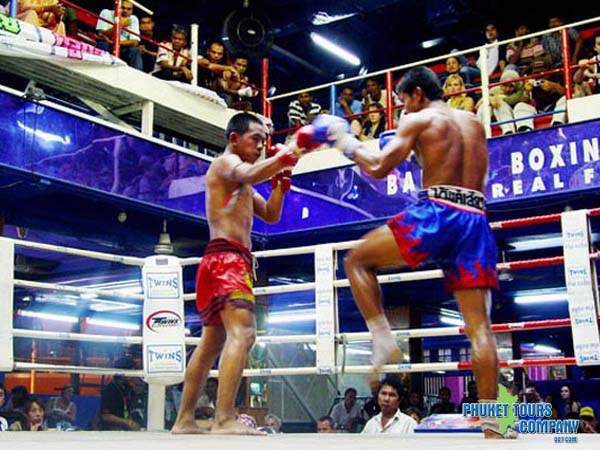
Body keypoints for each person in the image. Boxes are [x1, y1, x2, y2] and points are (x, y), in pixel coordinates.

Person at [337, 66, 508, 438]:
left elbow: (380, 168)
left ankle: (383, 340)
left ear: (416, 94)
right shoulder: (474, 120)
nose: (403, 110)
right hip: (476, 217)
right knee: (480, 329)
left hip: (437, 213)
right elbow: (471, 169)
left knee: (356, 261)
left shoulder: (419, 119)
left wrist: (345, 141)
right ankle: (494, 428)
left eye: (402, 102)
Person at [171, 112, 314, 435]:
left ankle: (184, 419)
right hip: (227, 262)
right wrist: (289, 153)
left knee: (211, 342)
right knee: (244, 334)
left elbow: (272, 215)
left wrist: (282, 181)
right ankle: (224, 419)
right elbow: (252, 172)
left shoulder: (243, 183)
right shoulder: (226, 165)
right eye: (256, 139)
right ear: (234, 139)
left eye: (265, 142)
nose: (262, 146)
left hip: (222, 262)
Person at [95, 1, 142, 70]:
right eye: (122, 7)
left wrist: (115, 42)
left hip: (123, 47)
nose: (125, 11)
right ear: (116, 7)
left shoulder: (133, 19)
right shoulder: (106, 12)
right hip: (107, 44)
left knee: (135, 50)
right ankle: (98, 69)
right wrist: (120, 25)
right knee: (102, 45)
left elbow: (135, 42)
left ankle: (137, 76)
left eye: (129, 9)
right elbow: (101, 33)